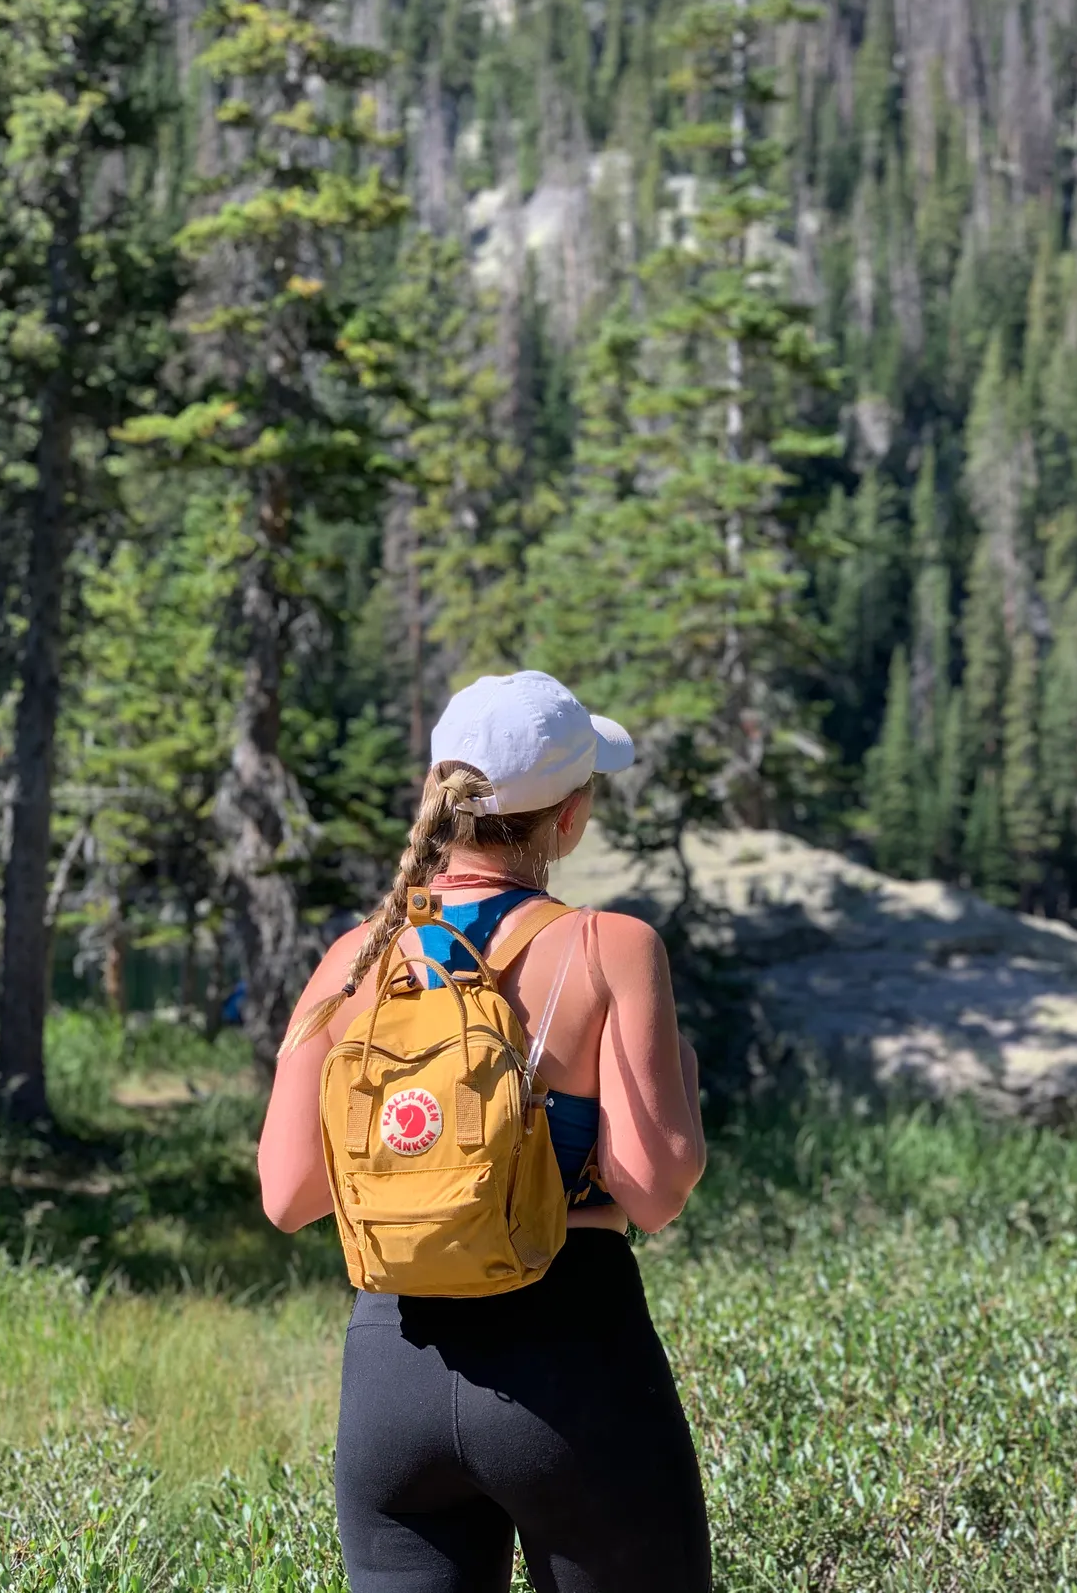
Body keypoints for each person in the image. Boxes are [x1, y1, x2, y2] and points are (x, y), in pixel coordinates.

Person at [258, 670, 711, 1593]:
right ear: (571, 816)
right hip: (571, 1360)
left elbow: (288, 1194)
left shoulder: (354, 958)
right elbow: (655, 1185)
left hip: (393, 1369)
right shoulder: (609, 947)